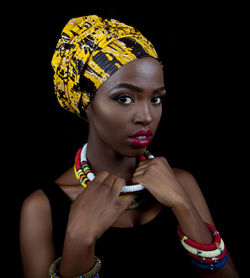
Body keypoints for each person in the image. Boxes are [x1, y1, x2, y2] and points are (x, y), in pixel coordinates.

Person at [20, 15, 239, 278]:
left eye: (156, 99)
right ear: (85, 103)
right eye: (124, 98)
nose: (146, 116)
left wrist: (183, 205)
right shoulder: (42, 208)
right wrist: (79, 240)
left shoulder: (182, 183)